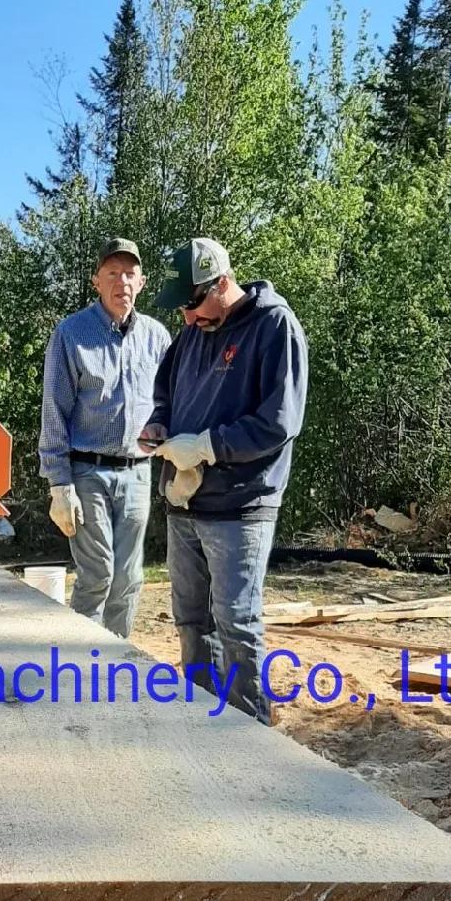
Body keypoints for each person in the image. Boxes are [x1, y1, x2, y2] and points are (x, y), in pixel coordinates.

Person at [140, 238, 307, 724]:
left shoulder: (274, 327)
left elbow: (279, 421)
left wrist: (209, 445)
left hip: (240, 505)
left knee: (236, 621)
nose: (188, 319)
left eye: (193, 304)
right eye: (183, 310)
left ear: (223, 282)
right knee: (192, 620)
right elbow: (165, 394)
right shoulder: (192, 332)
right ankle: (201, 721)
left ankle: (251, 730)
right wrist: (160, 426)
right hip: (185, 502)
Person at [39, 238, 171, 638]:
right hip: (87, 473)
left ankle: (117, 665)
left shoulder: (157, 338)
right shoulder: (71, 333)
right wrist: (59, 485)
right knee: (98, 574)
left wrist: (182, 458)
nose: (122, 283)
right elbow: (54, 410)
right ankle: (83, 665)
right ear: (97, 281)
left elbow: (171, 404)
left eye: (129, 274)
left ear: (142, 282)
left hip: (138, 472)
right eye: (112, 274)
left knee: (129, 578)